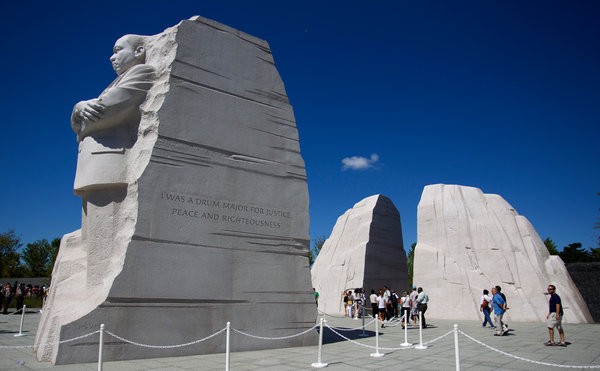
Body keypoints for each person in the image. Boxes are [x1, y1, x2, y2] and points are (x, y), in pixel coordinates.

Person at [71, 34, 156, 192]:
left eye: (117, 51)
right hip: (93, 164)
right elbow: (83, 122)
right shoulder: (120, 80)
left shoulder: (142, 72)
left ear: (139, 51)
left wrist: (81, 122)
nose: (112, 58)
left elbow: (102, 113)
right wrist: (79, 107)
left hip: (107, 161)